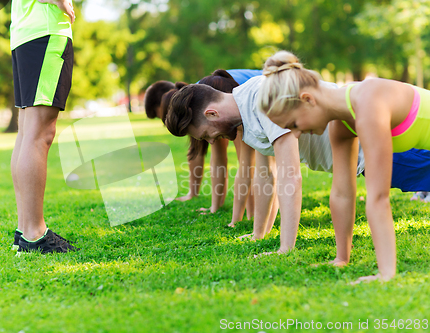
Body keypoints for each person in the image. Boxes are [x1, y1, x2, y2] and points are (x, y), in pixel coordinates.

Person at [165, 71, 430, 263]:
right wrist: (259, 234)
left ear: (211, 114)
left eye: (205, 135)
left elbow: (290, 177)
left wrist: (285, 248)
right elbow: (266, 175)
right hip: (355, 156)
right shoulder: (245, 113)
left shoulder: (259, 99)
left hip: (376, 146)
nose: (211, 141)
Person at [257, 50, 430, 282]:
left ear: (308, 99)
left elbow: (378, 197)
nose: (295, 134)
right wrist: (341, 258)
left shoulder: (368, 103)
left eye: (294, 124)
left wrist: (385, 274)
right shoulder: (341, 125)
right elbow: (342, 193)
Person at [144, 70, 261, 218]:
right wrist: (213, 205)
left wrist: (249, 217)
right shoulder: (199, 104)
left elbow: (246, 165)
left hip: (270, 90)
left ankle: (253, 212)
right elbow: (212, 159)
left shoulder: (209, 99)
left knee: (248, 159)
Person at [10, 0, 77, 253]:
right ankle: (34, 234)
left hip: (26, 33)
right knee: (40, 133)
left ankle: (24, 229)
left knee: (28, 132)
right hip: (45, 31)